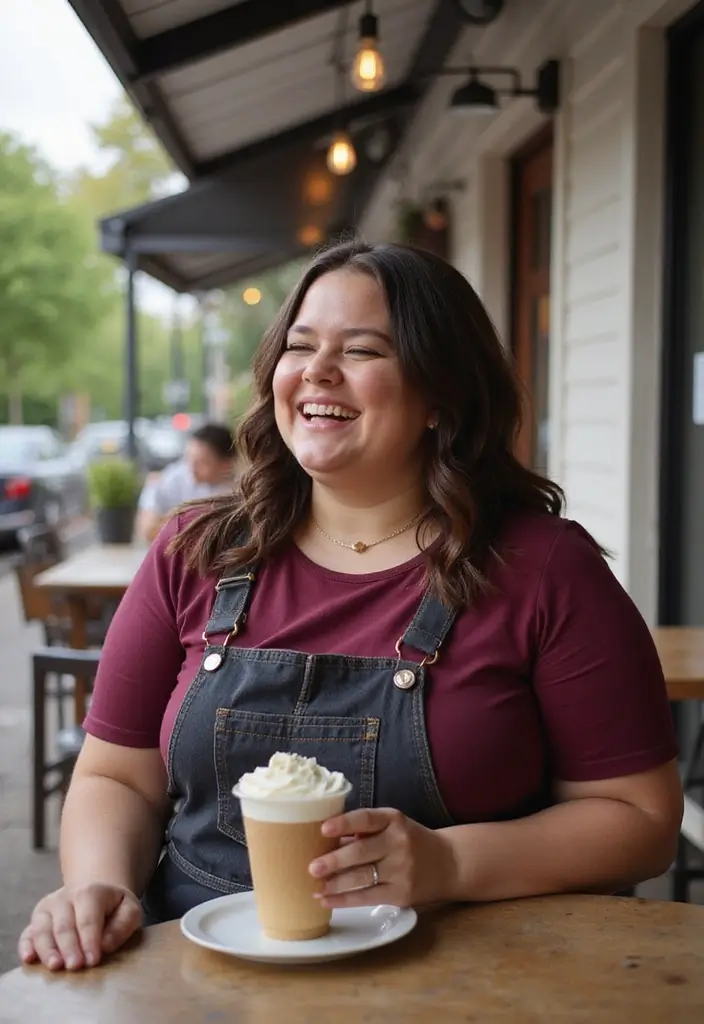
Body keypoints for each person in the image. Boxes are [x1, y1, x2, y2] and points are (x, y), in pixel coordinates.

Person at [19, 241, 682, 972]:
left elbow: (641, 820)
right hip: (195, 977)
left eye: (361, 350)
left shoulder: (544, 569)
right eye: (300, 345)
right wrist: (100, 885)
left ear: (442, 394)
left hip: (458, 986)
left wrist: (451, 863)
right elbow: (116, 777)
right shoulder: (195, 551)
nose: (317, 371)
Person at [135, 422, 237, 543]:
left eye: (202, 462)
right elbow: (148, 530)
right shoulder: (175, 478)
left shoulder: (237, 490)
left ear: (225, 464)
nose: (192, 468)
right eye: (190, 458)